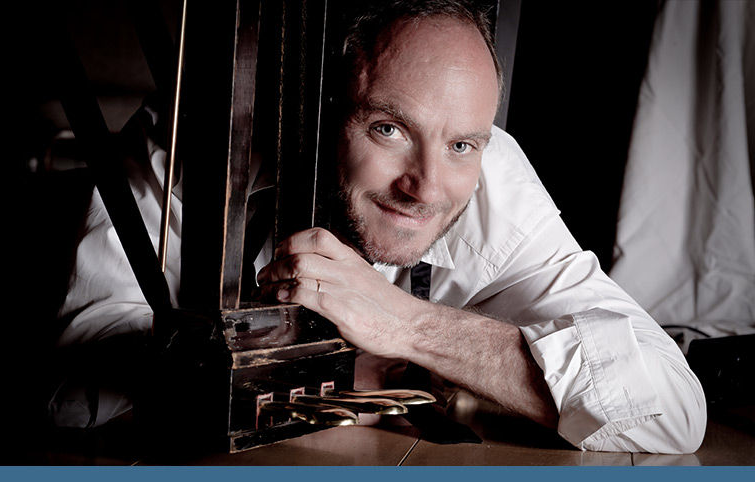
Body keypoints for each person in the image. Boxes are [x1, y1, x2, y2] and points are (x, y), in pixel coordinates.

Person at [52, 0, 707, 454]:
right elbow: (70, 391)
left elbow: (672, 410)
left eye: (462, 144)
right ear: (321, 111)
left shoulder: (496, 184)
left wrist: (408, 327)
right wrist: (303, 363)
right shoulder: (188, 142)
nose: (427, 187)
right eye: (388, 129)